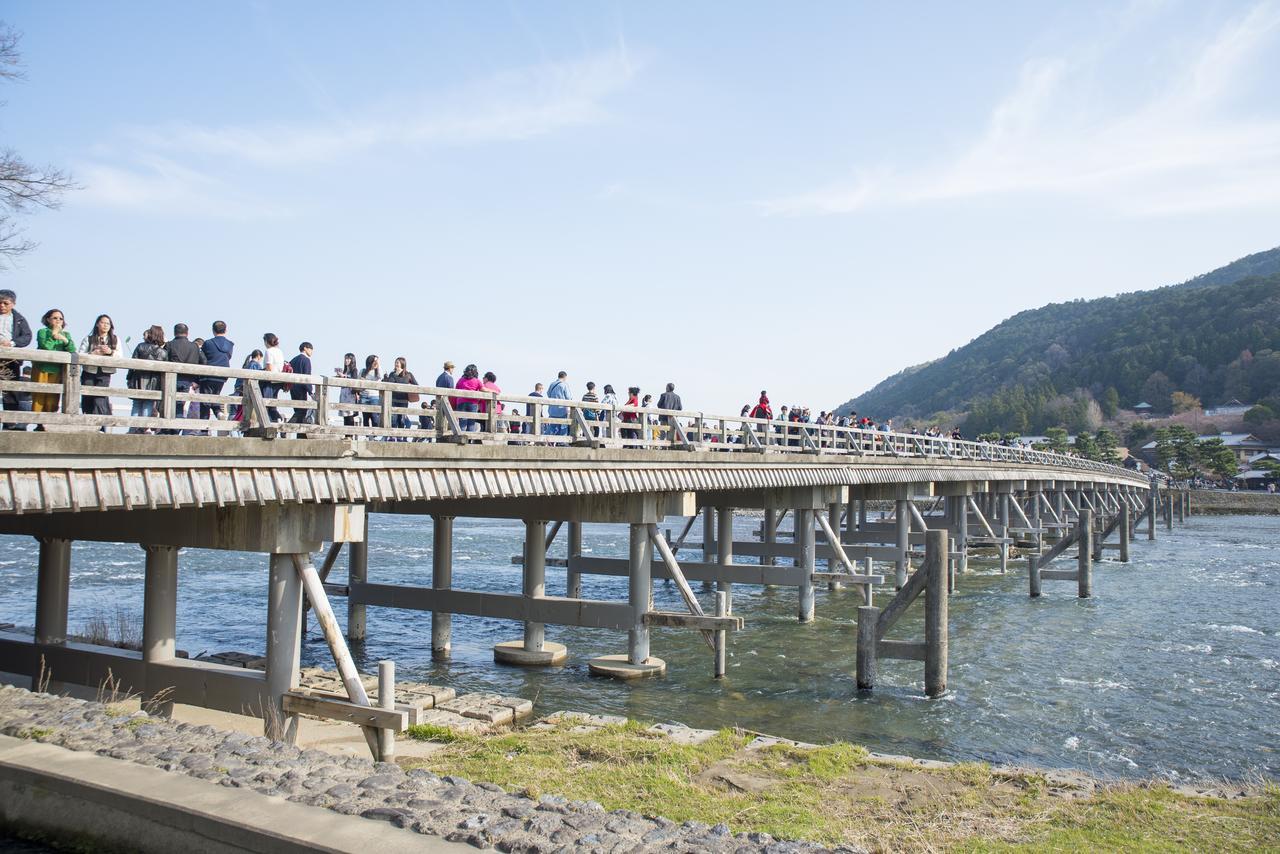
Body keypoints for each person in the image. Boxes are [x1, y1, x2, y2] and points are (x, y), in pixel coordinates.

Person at [33, 309, 75, 415]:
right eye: (55, 318)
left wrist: (64, 339)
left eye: (61, 318)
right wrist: (54, 334)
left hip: (57, 369)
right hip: (42, 368)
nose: (58, 320)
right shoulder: (42, 332)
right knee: (39, 397)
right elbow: (47, 347)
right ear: (48, 319)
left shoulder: (66, 334)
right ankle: (38, 423)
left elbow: (72, 349)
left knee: (53, 398)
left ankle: (48, 422)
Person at [0, 289, 33, 427]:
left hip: (10, 358)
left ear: (13, 304)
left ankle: (10, 423)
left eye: (5, 303)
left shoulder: (19, 319)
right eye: (0, 303)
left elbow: (27, 336)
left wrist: (12, 343)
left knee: (10, 390)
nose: (2, 306)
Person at [126, 325, 167, 431]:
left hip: (138, 379)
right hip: (153, 382)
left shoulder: (140, 346)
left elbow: (132, 364)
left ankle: (132, 429)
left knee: (136, 403)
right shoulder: (163, 352)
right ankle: (143, 428)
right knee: (148, 404)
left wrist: (129, 378)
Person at [78, 314, 120, 417]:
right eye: (103, 322)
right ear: (97, 324)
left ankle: (100, 425)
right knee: (88, 397)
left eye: (108, 323)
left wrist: (110, 352)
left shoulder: (115, 339)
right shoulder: (88, 339)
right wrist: (92, 354)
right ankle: (88, 422)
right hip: (89, 371)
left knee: (100, 398)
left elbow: (120, 356)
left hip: (105, 372)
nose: (105, 325)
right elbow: (80, 354)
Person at [166, 323, 206, 426]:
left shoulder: (169, 345)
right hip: (189, 380)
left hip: (173, 379)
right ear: (187, 333)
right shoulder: (194, 346)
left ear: (174, 333)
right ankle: (177, 428)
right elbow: (204, 362)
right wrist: (197, 380)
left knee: (170, 405)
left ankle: (171, 429)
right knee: (182, 405)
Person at [200, 321, 234, 419]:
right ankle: (218, 412)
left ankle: (204, 430)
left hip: (208, 375)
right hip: (222, 376)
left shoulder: (208, 343)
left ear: (213, 330)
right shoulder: (230, 344)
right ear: (226, 330)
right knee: (216, 395)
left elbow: (203, 358)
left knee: (205, 401)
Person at [382, 356, 418, 433]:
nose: (396, 364)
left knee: (401, 419)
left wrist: (409, 386)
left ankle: (400, 436)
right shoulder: (392, 374)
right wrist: (386, 378)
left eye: (397, 362)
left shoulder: (408, 374)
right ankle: (393, 436)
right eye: (395, 362)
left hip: (403, 400)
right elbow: (389, 384)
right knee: (393, 419)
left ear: (402, 363)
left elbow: (416, 385)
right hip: (394, 399)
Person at [287, 342, 314, 428]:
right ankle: (286, 427)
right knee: (302, 411)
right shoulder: (306, 360)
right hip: (301, 388)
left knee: (298, 411)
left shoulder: (293, 359)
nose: (312, 352)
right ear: (305, 348)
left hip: (292, 387)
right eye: (311, 349)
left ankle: (300, 434)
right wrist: (311, 391)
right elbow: (306, 377)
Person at [261, 334, 286, 422]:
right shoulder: (280, 351)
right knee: (273, 403)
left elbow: (269, 367)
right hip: (278, 380)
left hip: (269, 380)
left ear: (266, 341)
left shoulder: (269, 351)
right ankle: (277, 419)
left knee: (266, 403)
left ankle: (275, 419)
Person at [453, 364, 483, 432]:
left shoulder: (460, 380)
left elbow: (455, 390)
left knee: (462, 423)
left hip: (461, 402)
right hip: (472, 403)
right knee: (471, 423)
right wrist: (494, 391)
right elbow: (483, 389)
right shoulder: (477, 381)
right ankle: (469, 440)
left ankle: (461, 438)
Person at [545, 371, 571, 435]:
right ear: (565, 377)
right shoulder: (564, 384)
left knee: (552, 427)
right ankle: (562, 442)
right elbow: (568, 397)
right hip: (562, 409)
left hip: (552, 409)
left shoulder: (552, 384)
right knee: (563, 426)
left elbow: (548, 394)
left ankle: (544, 439)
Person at [336, 353, 359, 428]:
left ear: (352, 360)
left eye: (349, 359)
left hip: (350, 394)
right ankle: (346, 434)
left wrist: (344, 376)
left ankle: (350, 434)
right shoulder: (345, 370)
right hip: (343, 393)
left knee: (350, 414)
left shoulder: (354, 370)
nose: (346, 360)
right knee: (345, 415)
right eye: (346, 359)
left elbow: (354, 380)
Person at [359, 355, 381, 429]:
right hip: (364, 395)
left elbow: (379, 379)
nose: (376, 363)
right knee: (365, 417)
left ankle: (375, 435)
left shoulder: (377, 371)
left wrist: (377, 366)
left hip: (374, 396)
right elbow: (358, 381)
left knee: (374, 416)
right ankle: (367, 436)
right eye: (374, 361)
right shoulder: (362, 371)